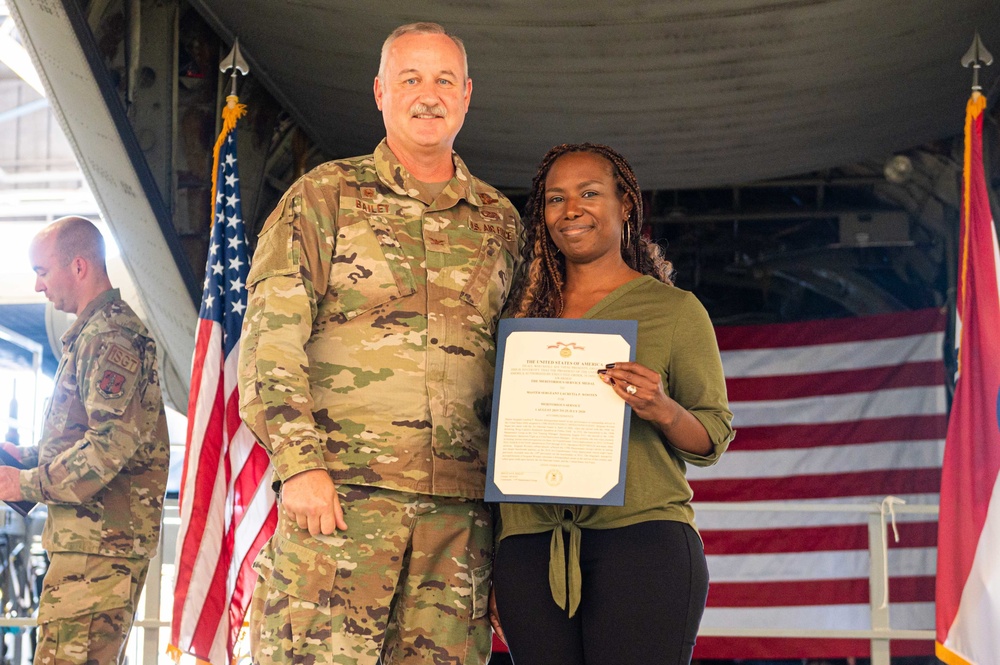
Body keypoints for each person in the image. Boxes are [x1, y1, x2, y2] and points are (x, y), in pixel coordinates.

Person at [238, 22, 521, 665]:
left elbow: (520, 368)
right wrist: (300, 462)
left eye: (444, 79)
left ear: (467, 95)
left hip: (461, 523)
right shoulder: (322, 197)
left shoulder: (502, 222)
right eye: (410, 79)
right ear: (380, 93)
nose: (429, 95)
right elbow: (269, 342)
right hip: (337, 503)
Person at [489, 144, 735, 665]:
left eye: (589, 193)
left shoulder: (673, 310)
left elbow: (712, 437)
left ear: (626, 206)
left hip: (641, 545)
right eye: (556, 198)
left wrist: (663, 408)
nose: (571, 209)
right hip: (530, 550)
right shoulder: (516, 315)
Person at [0, 216, 170, 665]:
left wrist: (27, 484)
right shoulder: (93, 334)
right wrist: (26, 459)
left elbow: (108, 447)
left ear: (78, 267)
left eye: (42, 271)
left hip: (97, 547)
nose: (38, 286)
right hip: (89, 544)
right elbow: (91, 436)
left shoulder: (110, 336)